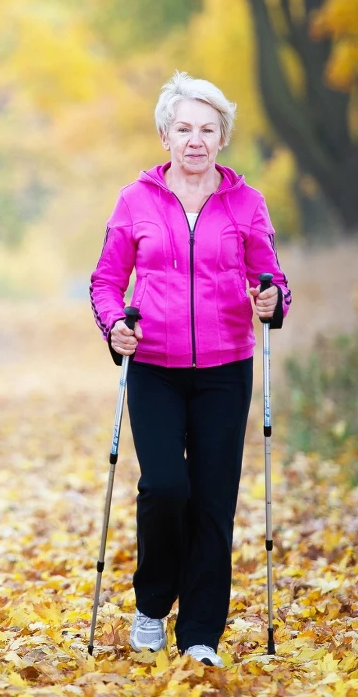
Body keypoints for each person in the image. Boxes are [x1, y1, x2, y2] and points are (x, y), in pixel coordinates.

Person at [89, 71, 291, 667]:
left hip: (226, 369)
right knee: (164, 488)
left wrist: (271, 299)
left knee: (212, 500)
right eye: (184, 129)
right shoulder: (135, 200)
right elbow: (106, 281)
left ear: (222, 137)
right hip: (153, 365)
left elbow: (271, 278)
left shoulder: (247, 203)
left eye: (207, 129)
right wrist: (115, 324)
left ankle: (201, 633)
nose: (195, 140)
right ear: (165, 136)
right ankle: (152, 605)